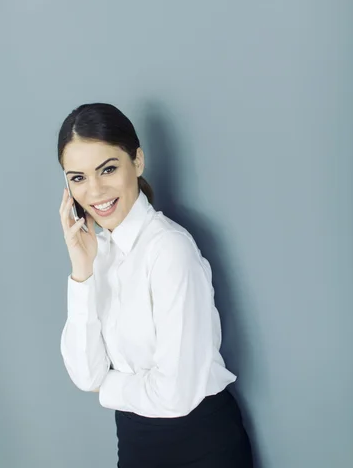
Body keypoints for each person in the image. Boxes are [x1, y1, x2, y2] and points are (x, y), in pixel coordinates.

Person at [58, 102, 253, 467]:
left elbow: (176, 395)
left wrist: (110, 386)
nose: (96, 190)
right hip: (135, 443)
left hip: (202, 445)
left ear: (138, 161)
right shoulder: (94, 254)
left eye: (108, 169)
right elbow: (86, 375)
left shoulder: (169, 249)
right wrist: (81, 273)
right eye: (78, 177)